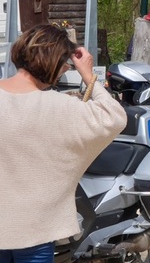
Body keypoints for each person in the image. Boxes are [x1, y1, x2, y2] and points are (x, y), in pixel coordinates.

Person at [0, 24, 126, 260]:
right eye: (65, 65)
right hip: (35, 233)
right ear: (54, 63)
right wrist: (88, 75)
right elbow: (115, 117)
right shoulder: (61, 108)